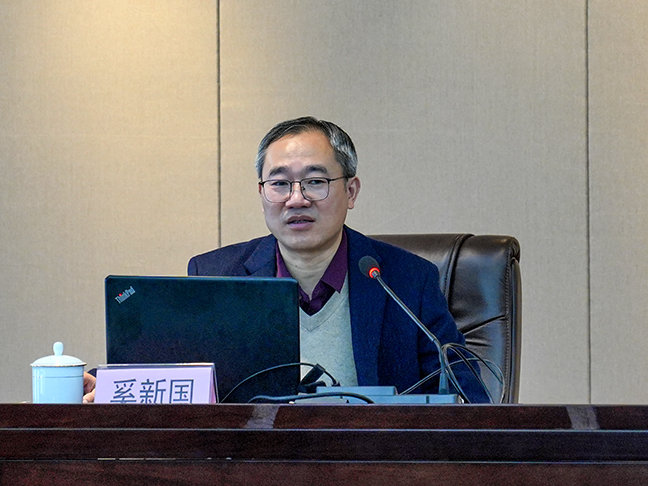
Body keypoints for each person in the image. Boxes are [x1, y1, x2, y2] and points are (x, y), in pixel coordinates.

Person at [187, 116, 489, 403]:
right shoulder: (214, 277)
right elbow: (186, 403)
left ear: (351, 191)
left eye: (315, 181)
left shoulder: (408, 281)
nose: (297, 199)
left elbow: (468, 402)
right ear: (261, 194)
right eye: (279, 184)